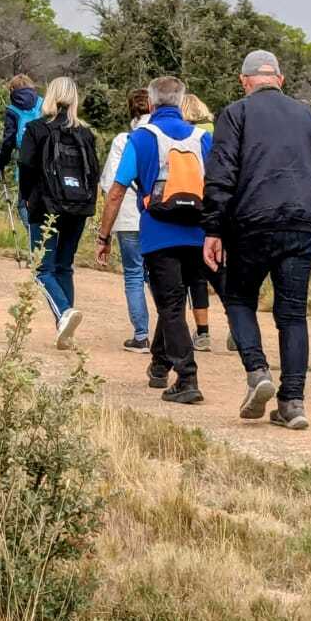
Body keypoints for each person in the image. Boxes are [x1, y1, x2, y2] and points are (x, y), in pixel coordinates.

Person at [204, 50, 311, 431]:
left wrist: (214, 228)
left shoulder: (235, 114)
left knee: (238, 298)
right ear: (279, 80)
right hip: (301, 224)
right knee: (293, 314)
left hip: (251, 224)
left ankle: (257, 371)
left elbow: (221, 174)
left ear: (244, 81)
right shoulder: (310, 117)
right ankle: (293, 402)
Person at [96, 77, 212, 403]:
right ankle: (160, 365)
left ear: (150, 103)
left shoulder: (141, 138)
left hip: (158, 233)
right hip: (197, 233)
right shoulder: (203, 139)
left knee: (170, 305)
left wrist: (104, 236)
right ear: (182, 102)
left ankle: (187, 378)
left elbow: (116, 192)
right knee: (174, 300)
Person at [18, 77, 100, 348]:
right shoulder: (85, 133)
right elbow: (94, 172)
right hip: (78, 206)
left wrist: (26, 197)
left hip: (45, 204)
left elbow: (26, 166)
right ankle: (65, 328)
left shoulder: (36, 129)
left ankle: (64, 312)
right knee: (64, 266)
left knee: (42, 269)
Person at [100, 88, 153, 351]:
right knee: (160, 276)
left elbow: (110, 184)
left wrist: (104, 234)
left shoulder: (124, 140)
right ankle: (170, 332)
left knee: (133, 275)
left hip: (129, 217)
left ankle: (141, 335)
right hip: (158, 217)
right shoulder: (161, 136)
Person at [180, 93, 224, 350]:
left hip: (191, 208)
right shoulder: (217, 133)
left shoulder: (187, 136)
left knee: (196, 274)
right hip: (218, 209)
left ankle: (203, 332)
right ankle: (238, 326)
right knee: (221, 272)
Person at [0, 74, 44, 242]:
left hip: (25, 160)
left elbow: (8, 140)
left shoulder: (12, 110)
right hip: (46, 158)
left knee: (23, 203)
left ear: (12, 89)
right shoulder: (43, 103)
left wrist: (1, 163)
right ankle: (46, 238)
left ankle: (35, 238)